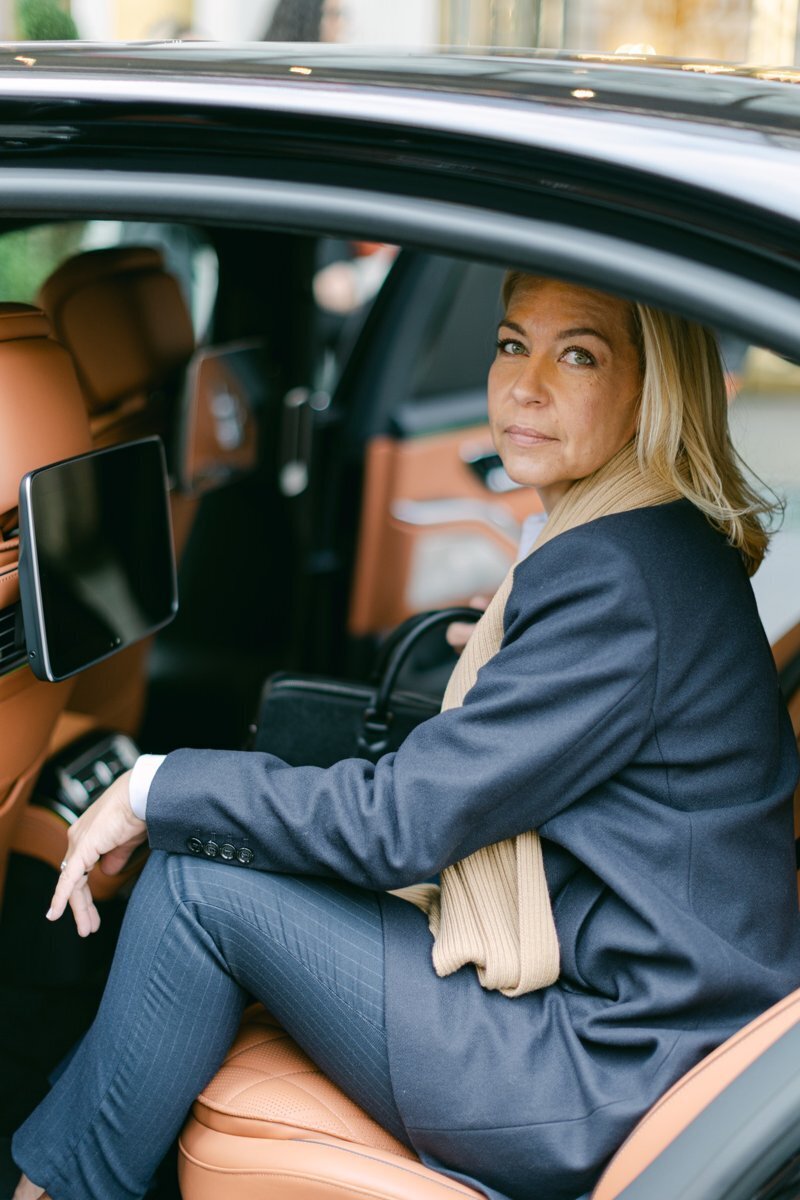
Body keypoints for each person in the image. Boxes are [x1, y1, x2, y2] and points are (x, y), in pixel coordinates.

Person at [13, 275, 800, 1200]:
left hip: (611, 1070)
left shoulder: (619, 577)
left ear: (650, 391)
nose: (525, 384)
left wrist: (155, 788)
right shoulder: (648, 541)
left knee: (196, 889)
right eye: (513, 344)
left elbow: (401, 824)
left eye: (578, 354)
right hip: (654, 1031)